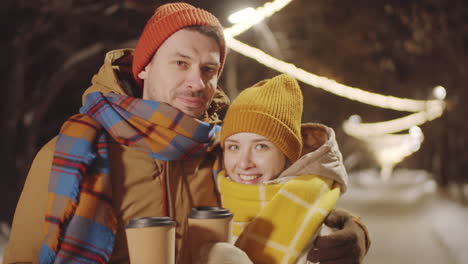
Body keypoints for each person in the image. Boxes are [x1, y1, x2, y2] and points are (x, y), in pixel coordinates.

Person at [3, 2, 369, 264]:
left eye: (209, 70)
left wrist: (351, 231)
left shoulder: (220, 149)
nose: (197, 82)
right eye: (181, 63)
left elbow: (280, 198)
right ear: (144, 68)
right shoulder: (73, 153)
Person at [217, 74, 350, 264]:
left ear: (288, 155)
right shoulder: (209, 200)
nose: (244, 162)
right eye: (234, 147)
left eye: (260, 146)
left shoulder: (318, 222)